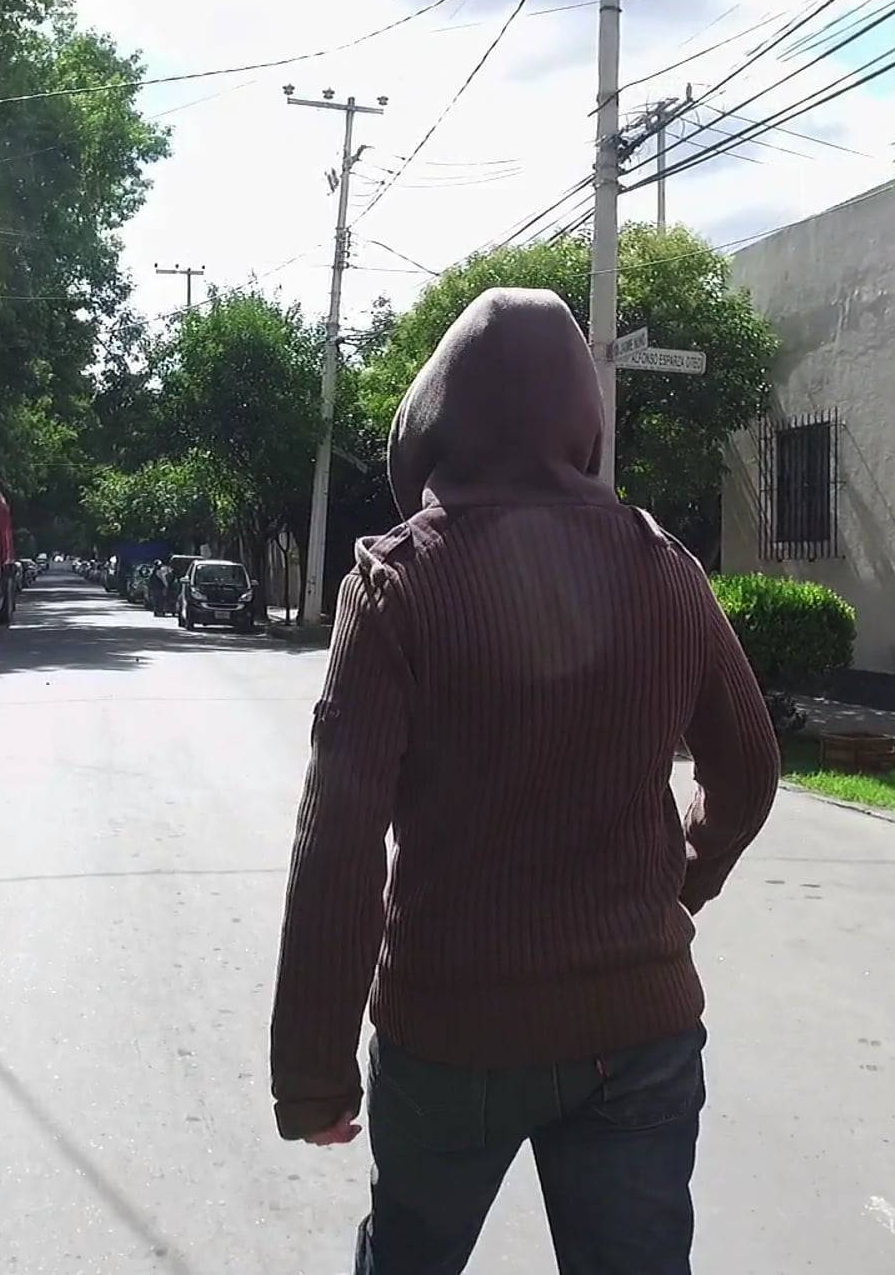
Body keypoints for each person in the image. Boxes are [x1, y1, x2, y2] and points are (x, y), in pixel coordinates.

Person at [268, 287, 781, 1275]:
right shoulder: (667, 567)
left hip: (451, 1035)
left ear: (434, 426)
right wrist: (683, 880)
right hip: (641, 1031)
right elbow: (750, 769)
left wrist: (313, 1070)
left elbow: (338, 839)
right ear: (582, 423)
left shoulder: (397, 583)